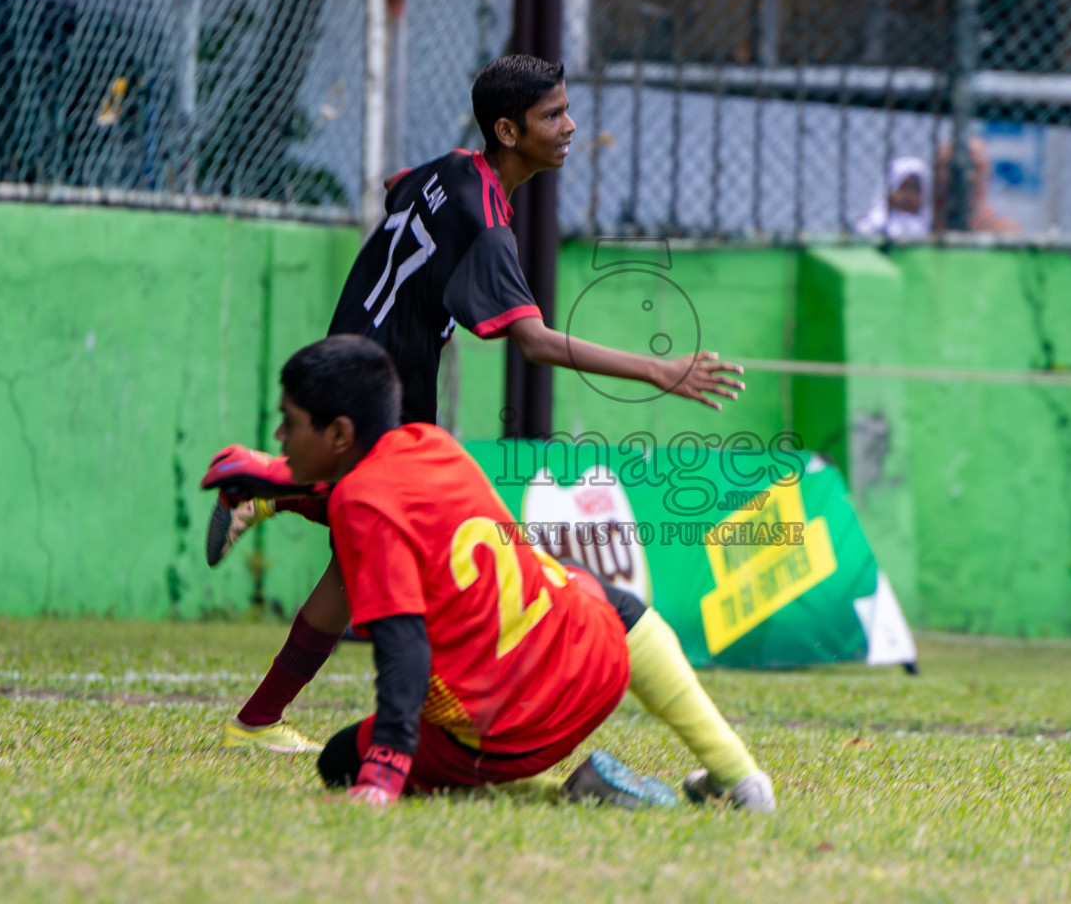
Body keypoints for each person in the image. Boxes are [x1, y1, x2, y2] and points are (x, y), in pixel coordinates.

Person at [203, 54, 746, 755]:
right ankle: (264, 480)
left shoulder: (453, 167)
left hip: (353, 358)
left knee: (351, 558)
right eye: (553, 115)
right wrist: (658, 370)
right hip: (384, 394)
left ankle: (257, 711)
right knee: (398, 548)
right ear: (508, 130)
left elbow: (401, 187)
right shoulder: (487, 222)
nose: (570, 126)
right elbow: (534, 342)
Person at [274, 335, 776, 810]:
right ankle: (739, 775)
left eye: (288, 422)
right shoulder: (432, 442)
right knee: (581, 584)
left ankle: (562, 792)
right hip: (596, 670)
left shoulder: (360, 501)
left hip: (507, 737)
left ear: (339, 433)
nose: (280, 437)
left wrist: (384, 770)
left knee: (340, 757)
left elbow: (404, 642)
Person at [932, 137, 1020, 235]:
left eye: (972, 167)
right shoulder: (925, 224)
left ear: (988, 175)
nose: (964, 179)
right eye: (950, 167)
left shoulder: (1003, 230)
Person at [852, 155, 933, 241]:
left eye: (914, 190)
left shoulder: (926, 227)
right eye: (902, 187)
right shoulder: (875, 224)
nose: (907, 196)